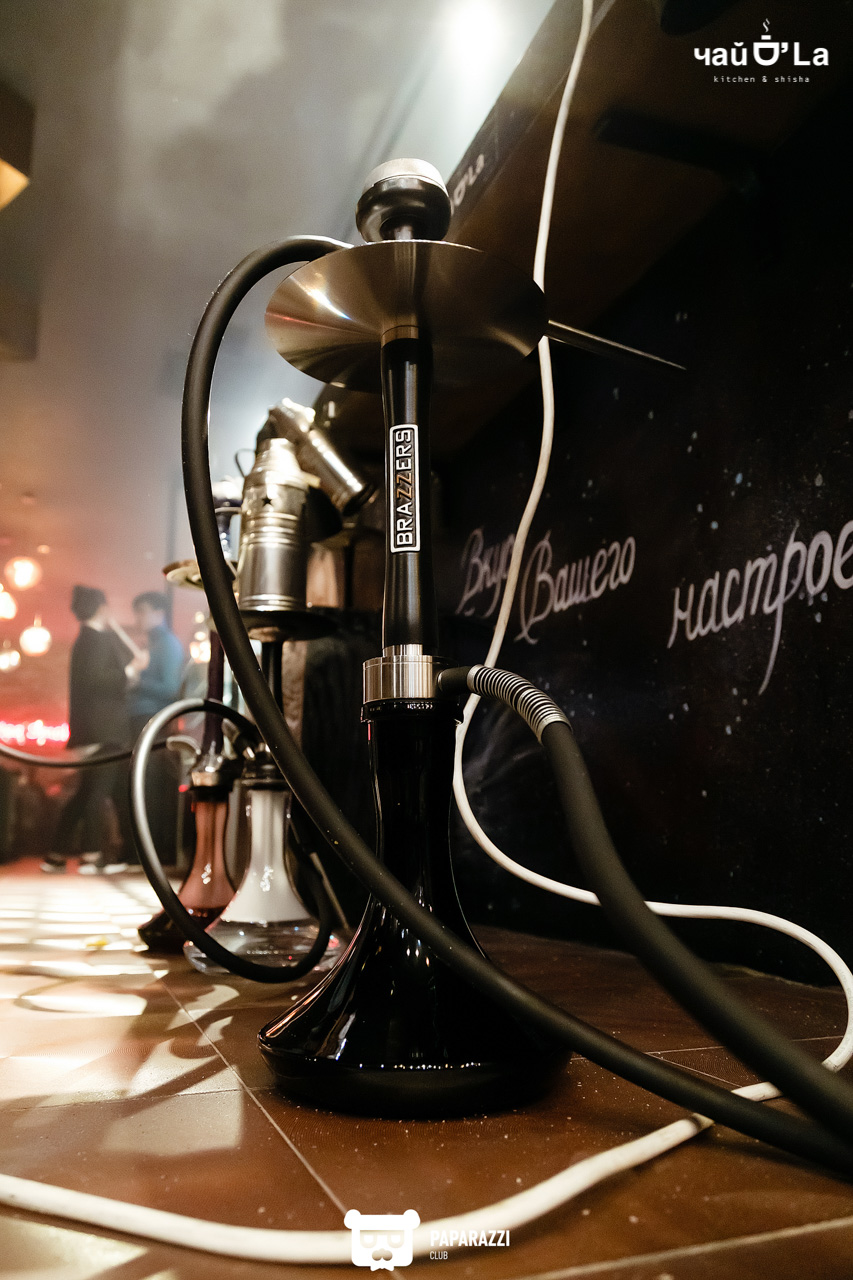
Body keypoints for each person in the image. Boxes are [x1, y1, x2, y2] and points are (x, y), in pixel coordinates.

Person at [42, 585, 141, 873]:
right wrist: (130, 671)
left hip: (92, 728)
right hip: (104, 729)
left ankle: (56, 855)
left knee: (86, 792)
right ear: (102, 608)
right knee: (99, 791)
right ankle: (92, 855)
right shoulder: (95, 640)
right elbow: (96, 680)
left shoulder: (85, 639)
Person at [129, 591, 185, 864]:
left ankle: (152, 853)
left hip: (151, 721)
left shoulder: (167, 644)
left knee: (149, 786)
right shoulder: (155, 643)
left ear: (158, 613)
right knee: (144, 785)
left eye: (142, 612)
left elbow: (171, 688)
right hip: (145, 719)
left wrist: (137, 680)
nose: (138, 618)